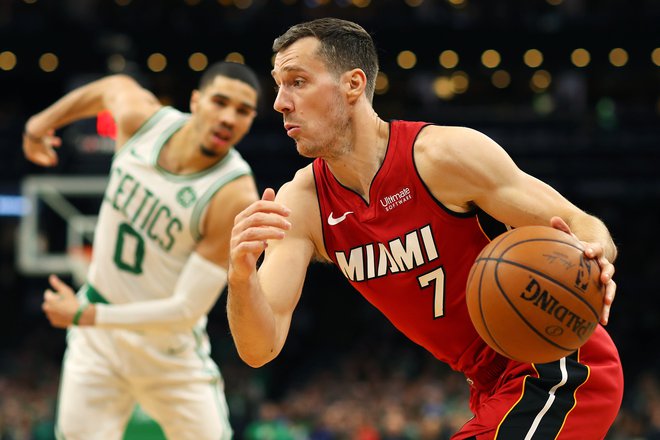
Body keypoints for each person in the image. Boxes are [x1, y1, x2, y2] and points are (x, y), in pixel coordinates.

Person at [227, 17, 624, 440]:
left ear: (353, 85)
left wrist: (593, 252)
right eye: (278, 85)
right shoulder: (301, 204)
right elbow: (259, 348)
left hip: (558, 363)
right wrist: (239, 273)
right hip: (491, 387)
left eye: (298, 82)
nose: (280, 102)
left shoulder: (443, 156)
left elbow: (582, 223)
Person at [23, 61, 261, 440]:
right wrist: (39, 124)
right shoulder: (144, 123)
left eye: (243, 111)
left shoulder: (233, 194)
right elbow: (111, 85)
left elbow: (185, 310)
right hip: (98, 346)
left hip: (167, 350)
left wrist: (89, 314)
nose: (229, 117)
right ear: (196, 101)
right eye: (220, 102)